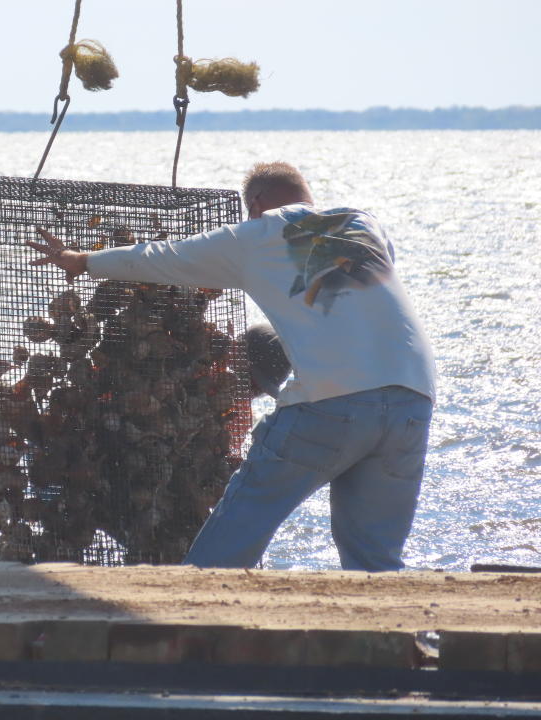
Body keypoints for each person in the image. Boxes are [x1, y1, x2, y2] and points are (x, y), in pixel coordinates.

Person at [27, 161, 436, 571]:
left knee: (242, 522)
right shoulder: (362, 224)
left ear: (254, 204)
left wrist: (80, 260)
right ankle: (394, 633)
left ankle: (193, 620)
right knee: (375, 558)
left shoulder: (255, 235)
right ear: (307, 197)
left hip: (332, 403)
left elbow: (163, 258)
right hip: (413, 398)